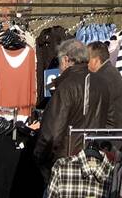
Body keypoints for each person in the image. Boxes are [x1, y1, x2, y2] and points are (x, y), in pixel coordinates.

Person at [33, 39, 89, 178]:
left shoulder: (66, 86)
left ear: (65, 60)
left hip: (66, 167)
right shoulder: (101, 83)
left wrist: (39, 158)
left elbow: (52, 133)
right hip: (94, 164)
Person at [83, 40, 122, 129]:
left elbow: (91, 110)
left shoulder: (102, 78)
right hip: (118, 132)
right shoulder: (110, 71)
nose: (85, 63)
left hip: (112, 136)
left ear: (96, 60)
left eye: (87, 60)